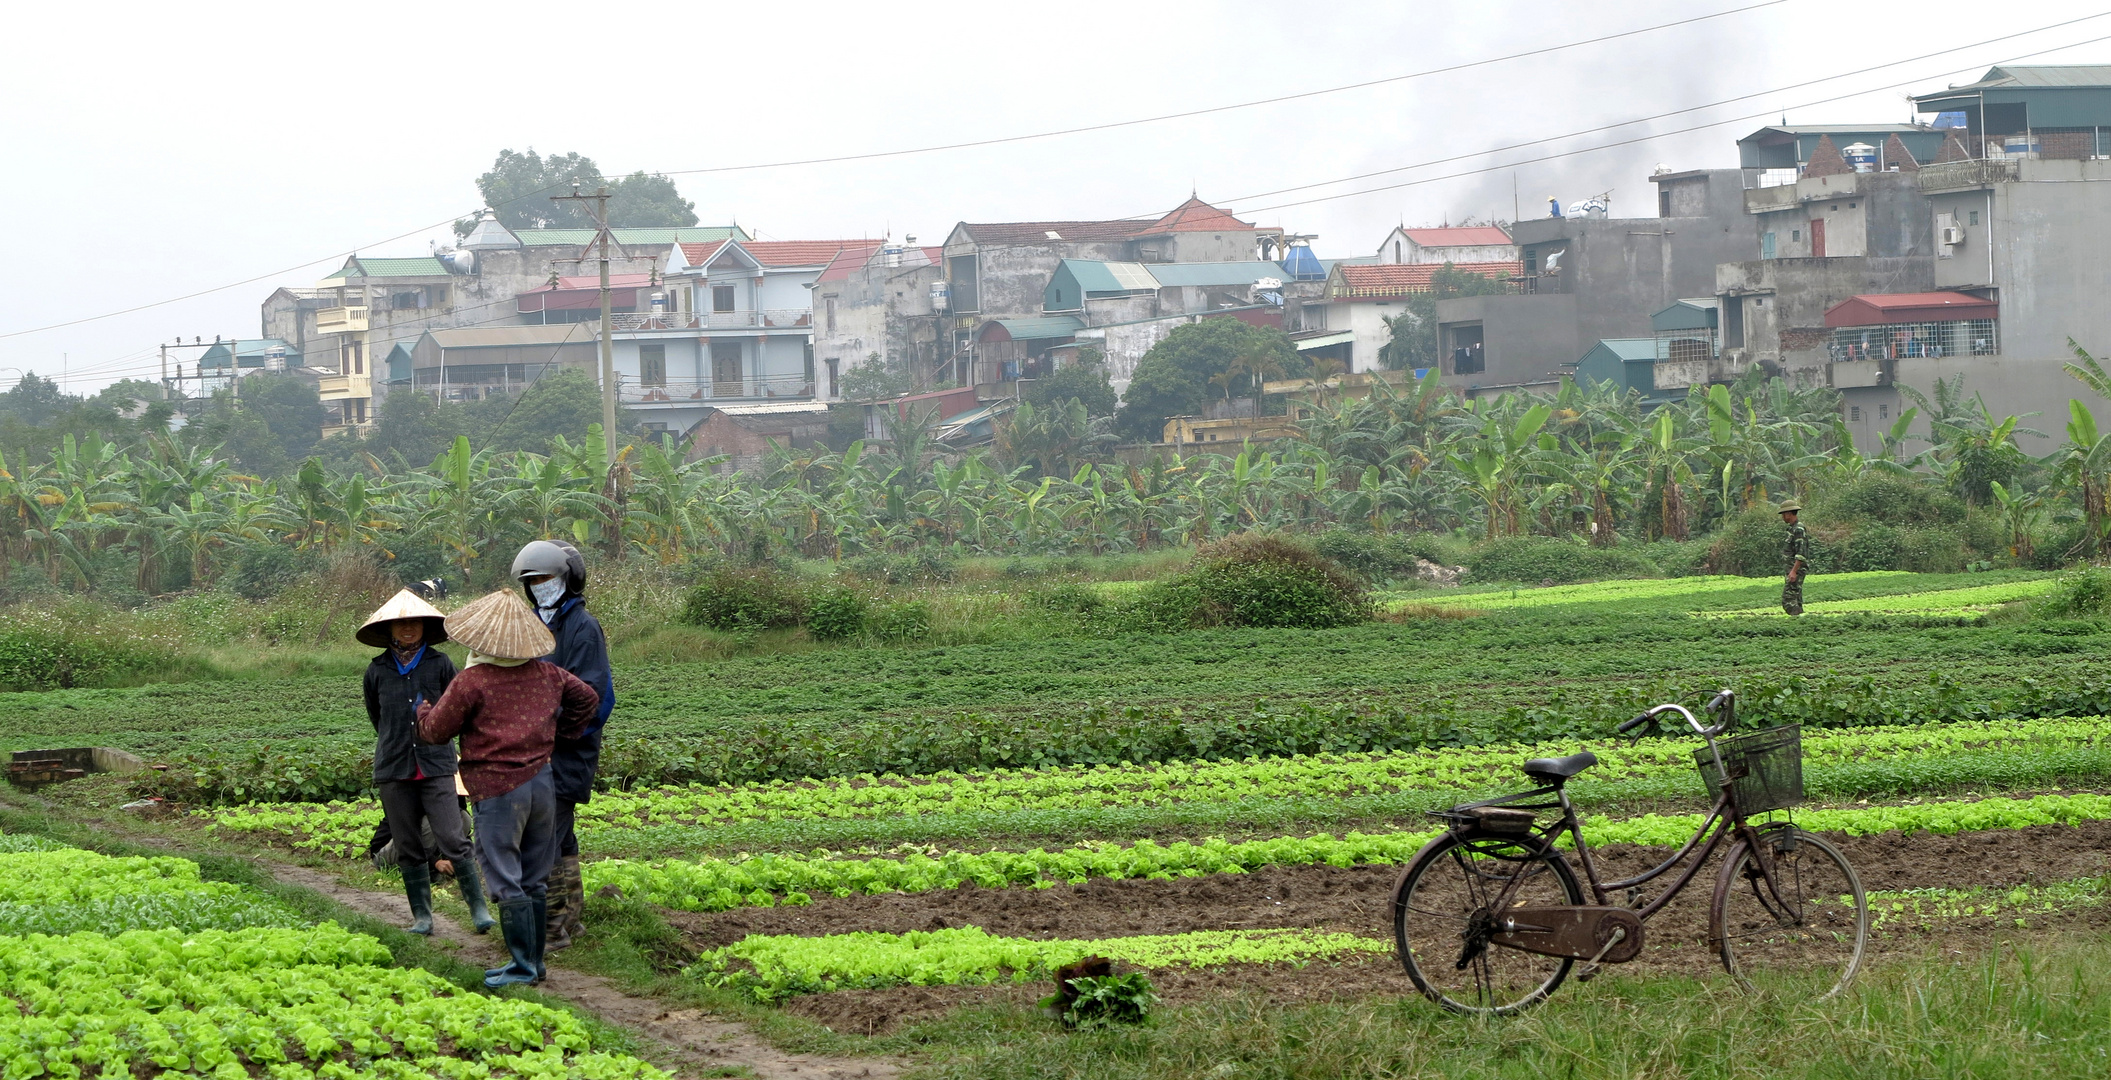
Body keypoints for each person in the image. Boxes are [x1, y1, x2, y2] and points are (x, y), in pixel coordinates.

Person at [417, 590, 598, 988]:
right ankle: (535, 964)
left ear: (481, 640)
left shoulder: (472, 680)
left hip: (498, 789)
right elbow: (588, 696)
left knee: (504, 876)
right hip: (542, 784)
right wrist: (562, 734)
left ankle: (521, 965)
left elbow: (435, 733)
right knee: (534, 875)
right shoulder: (549, 674)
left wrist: (422, 711)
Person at [357, 590, 492, 936]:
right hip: (394, 766)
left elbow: (455, 709)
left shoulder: (440, 664)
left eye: (413, 623)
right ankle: (423, 917)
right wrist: (399, 741)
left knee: (453, 835)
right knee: (408, 844)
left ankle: (478, 910)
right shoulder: (377, 671)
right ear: (389, 630)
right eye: (400, 624)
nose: (407, 629)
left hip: (436, 765)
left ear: (423, 627)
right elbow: (378, 717)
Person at [511, 539, 614, 952]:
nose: (539, 586)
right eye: (531, 581)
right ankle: (571, 916)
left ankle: (551, 927)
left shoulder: (582, 627)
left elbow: (596, 697)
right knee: (560, 835)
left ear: (567, 580)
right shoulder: (536, 622)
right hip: (537, 749)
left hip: (568, 749)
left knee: (545, 836)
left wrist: (559, 734)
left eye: (545, 578)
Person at [1780, 501, 1810, 615]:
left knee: (1788, 600)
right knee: (1796, 600)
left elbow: (1800, 553)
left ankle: (1797, 620)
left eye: (1783, 514)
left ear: (1789, 513)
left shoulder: (1798, 529)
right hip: (1792, 569)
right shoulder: (1791, 529)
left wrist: (1793, 571)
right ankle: (1801, 624)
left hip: (1796, 570)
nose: (1783, 517)